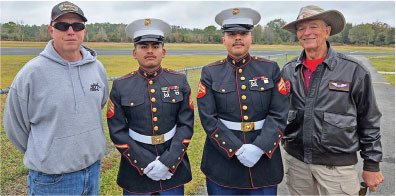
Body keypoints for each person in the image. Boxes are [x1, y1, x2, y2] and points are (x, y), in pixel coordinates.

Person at [3, 1, 109, 195]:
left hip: (93, 170)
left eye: (77, 26)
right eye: (62, 26)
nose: (70, 31)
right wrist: (47, 152)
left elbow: (98, 105)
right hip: (52, 180)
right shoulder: (31, 74)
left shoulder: (97, 68)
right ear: (51, 30)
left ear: (84, 31)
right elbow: (15, 126)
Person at [281, 5, 384, 195]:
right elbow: (279, 113)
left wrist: (371, 163)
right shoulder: (288, 70)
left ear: (327, 31)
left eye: (313, 26)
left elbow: (369, 119)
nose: (307, 33)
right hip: (297, 162)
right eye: (301, 28)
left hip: (336, 167)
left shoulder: (353, 70)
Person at [197, 7, 289, 195]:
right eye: (231, 34)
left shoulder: (269, 69)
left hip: (263, 162)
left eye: (243, 33)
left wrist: (259, 148)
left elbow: (279, 114)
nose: (238, 38)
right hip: (223, 163)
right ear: (224, 39)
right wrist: (236, 149)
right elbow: (208, 118)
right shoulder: (210, 73)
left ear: (251, 38)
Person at [107, 18, 194, 195]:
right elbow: (117, 131)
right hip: (135, 171)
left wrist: (168, 161)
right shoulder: (121, 86)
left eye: (155, 46)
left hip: (172, 169)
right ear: (134, 52)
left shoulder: (179, 81)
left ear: (163, 51)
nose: (149, 51)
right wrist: (144, 162)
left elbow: (186, 125)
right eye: (143, 46)